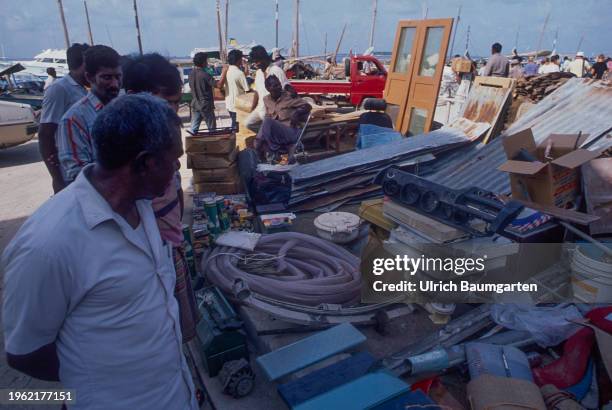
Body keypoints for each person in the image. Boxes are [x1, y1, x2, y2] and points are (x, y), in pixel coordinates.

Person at [2, 94, 197, 409]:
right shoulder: (48, 245)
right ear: (146, 163)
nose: (178, 168)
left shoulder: (141, 203)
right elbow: (25, 354)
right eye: (173, 159)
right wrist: (97, 385)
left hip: (175, 393)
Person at [122, 52, 200, 345]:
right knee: (160, 330)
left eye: (177, 103)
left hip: (171, 244)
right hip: (149, 257)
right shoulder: (126, 147)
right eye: (166, 103)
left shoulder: (163, 130)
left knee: (179, 328)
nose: (173, 111)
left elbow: (175, 184)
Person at [56, 45, 122, 184]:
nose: (115, 84)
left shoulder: (125, 110)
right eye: (107, 78)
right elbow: (78, 175)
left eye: (118, 77)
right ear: (89, 77)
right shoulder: (73, 119)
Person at [38, 43, 89, 193]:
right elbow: (45, 134)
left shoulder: (82, 88)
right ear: (83, 64)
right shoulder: (59, 89)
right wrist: (57, 179)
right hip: (67, 172)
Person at [254, 75, 311, 163]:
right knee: (261, 133)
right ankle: (265, 155)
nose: (279, 87)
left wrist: (297, 113)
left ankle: (275, 152)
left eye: (279, 84)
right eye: (275, 86)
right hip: (277, 134)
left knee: (267, 123)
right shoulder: (266, 99)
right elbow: (268, 115)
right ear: (268, 88)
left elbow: (308, 106)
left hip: (291, 131)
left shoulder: (289, 96)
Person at [245, 45, 296, 132]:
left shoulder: (276, 70)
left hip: (273, 111)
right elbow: (257, 92)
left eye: (258, 61)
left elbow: (288, 89)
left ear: (264, 59)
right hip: (260, 109)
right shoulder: (258, 73)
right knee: (248, 123)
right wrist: (252, 108)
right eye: (255, 62)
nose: (256, 64)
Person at [216, 49, 250, 129]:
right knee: (237, 126)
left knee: (234, 123)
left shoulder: (227, 71)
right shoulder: (239, 73)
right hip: (238, 104)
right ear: (239, 60)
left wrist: (245, 67)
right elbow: (247, 90)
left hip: (229, 103)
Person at [188, 52, 216, 133]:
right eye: (206, 61)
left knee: (193, 129)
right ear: (203, 62)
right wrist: (224, 72)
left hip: (195, 104)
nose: (207, 63)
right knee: (212, 130)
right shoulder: (205, 75)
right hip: (206, 105)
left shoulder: (191, 74)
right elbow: (218, 85)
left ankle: (192, 144)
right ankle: (213, 145)